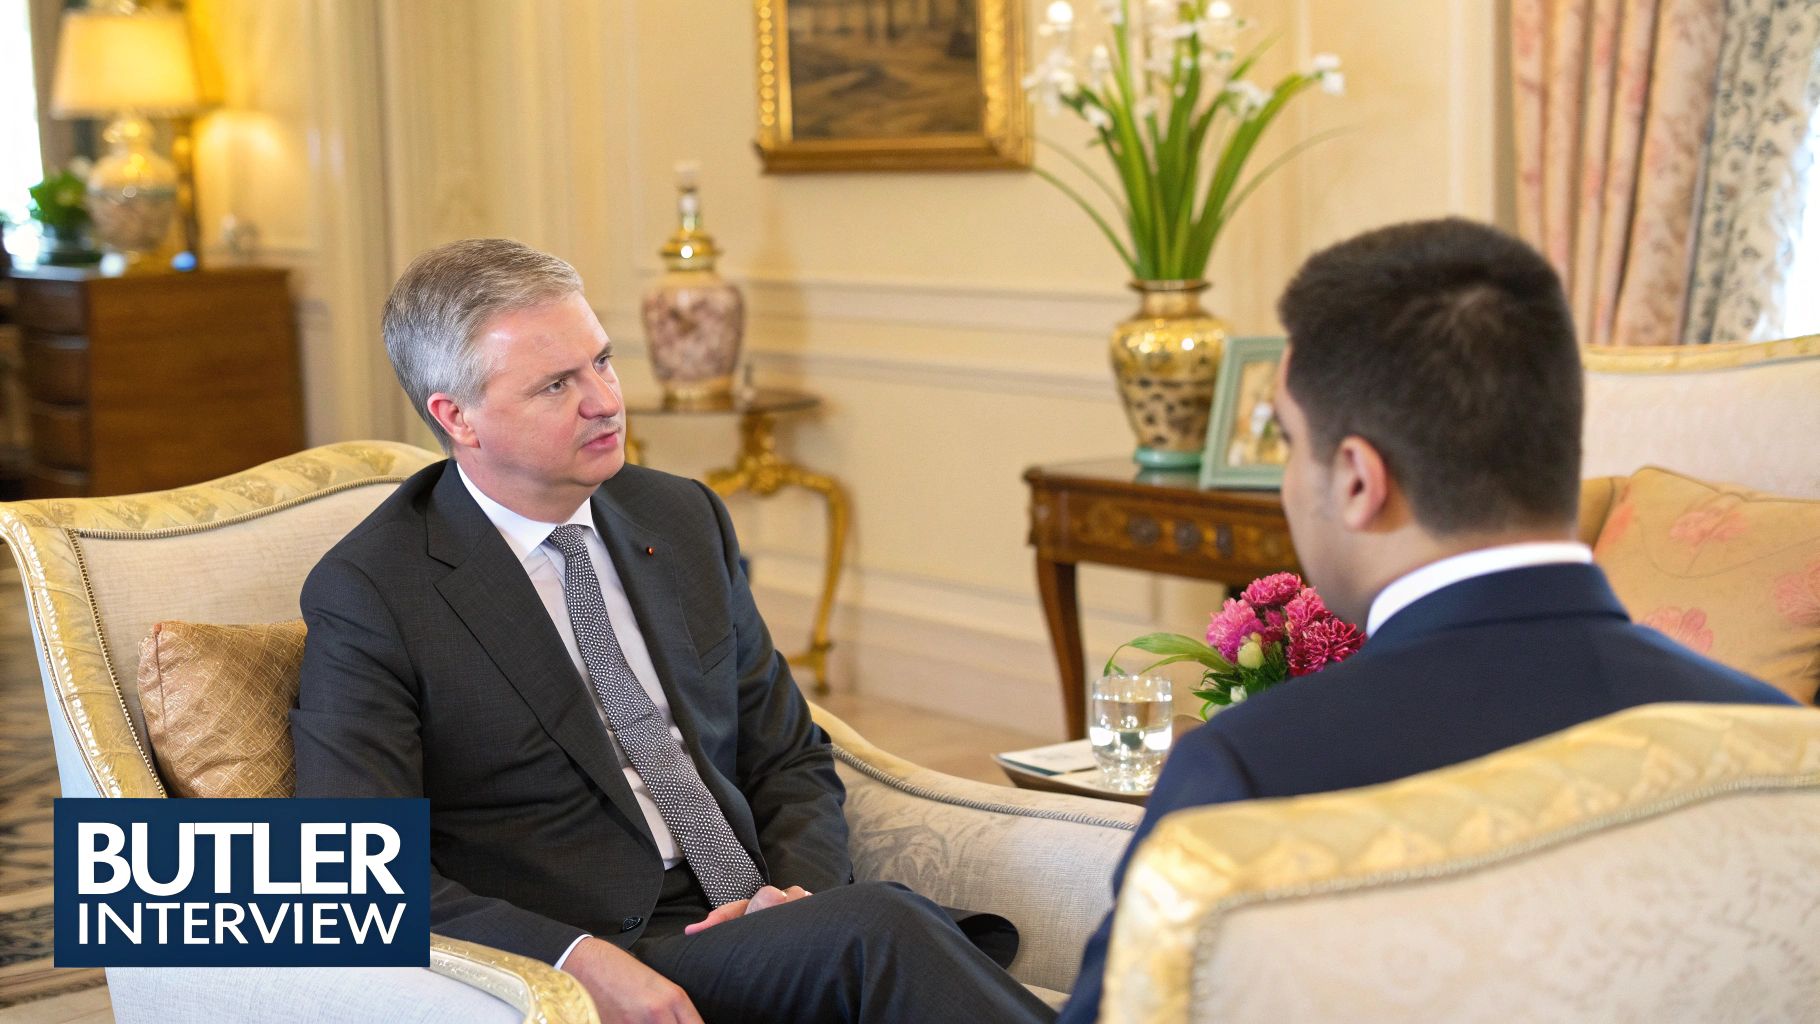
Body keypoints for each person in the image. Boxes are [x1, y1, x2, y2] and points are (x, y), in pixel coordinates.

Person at [292, 238, 1053, 1024]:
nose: (605, 401)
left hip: (760, 917)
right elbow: (354, 870)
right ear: (459, 418)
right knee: (889, 929)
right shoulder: (375, 590)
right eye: (557, 384)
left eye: (603, 362)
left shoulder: (680, 515)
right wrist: (578, 962)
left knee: (885, 931)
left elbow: (786, 752)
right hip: (608, 944)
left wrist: (796, 900)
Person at [1058, 218, 1795, 1023]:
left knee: (894, 938)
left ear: (1358, 481)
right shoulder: (1776, 740)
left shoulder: (1247, 776)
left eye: (1290, 443)